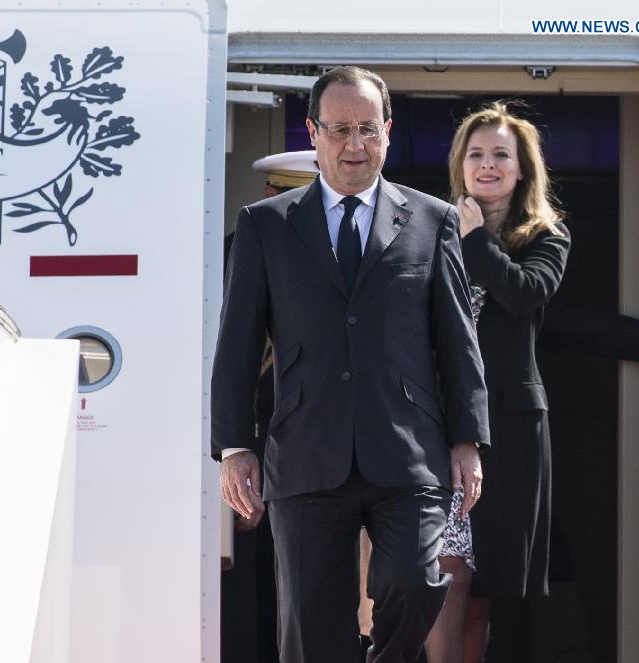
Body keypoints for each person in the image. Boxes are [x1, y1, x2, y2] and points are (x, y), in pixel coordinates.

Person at [211, 66, 490, 663]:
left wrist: (467, 439)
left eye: (367, 129)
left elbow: (457, 342)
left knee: (416, 583)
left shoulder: (432, 219)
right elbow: (236, 344)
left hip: (408, 450)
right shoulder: (266, 225)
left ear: (388, 131)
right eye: (339, 130)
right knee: (311, 622)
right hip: (308, 451)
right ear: (314, 133)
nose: (354, 145)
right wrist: (235, 446)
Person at [440, 102, 570, 663]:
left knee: (481, 590)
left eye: (500, 155)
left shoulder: (546, 235)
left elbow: (522, 294)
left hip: (507, 431)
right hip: (436, 425)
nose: (486, 165)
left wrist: (475, 240)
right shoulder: (432, 229)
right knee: (445, 575)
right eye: (476, 154)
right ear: (460, 165)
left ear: (521, 170)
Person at [221, 150, 318, 663]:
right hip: (246, 457)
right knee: (246, 607)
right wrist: (238, 455)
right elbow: (233, 368)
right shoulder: (232, 256)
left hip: (309, 464)